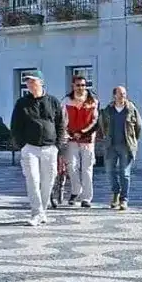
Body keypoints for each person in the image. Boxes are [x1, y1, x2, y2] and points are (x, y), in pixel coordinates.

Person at [9, 74, 63, 226]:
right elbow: (15, 126)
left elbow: (60, 124)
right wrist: (22, 145)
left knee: (48, 181)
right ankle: (36, 213)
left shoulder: (53, 101)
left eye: (33, 81)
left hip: (50, 147)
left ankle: (42, 211)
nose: (29, 84)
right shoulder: (22, 103)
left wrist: (57, 145)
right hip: (30, 148)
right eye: (27, 82)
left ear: (41, 83)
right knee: (32, 179)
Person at [55, 76, 99, 208]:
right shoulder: (66, 101)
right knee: (72, 166)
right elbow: (61, 119)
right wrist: (68, 133)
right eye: (78, 85)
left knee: (87, 169)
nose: (81, 88)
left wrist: (84, 132)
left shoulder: (93, 101)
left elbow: (95, 121)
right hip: (71, 138)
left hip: (87, 140)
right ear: (73, 86)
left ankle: (87, 197)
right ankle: (76, 190)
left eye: (83, 85)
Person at [101, 85, 142, 210]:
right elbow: (103, 125)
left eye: (124, 93)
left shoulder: (131, 109)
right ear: (114, 95)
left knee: (124, 173)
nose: (122, 96)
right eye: (120, 94)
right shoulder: (108, 110)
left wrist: (133, 141)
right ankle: (115, 193)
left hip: (126, 146)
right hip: (111, 146)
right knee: (110, 172)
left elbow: (139, 127)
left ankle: (124, 199)